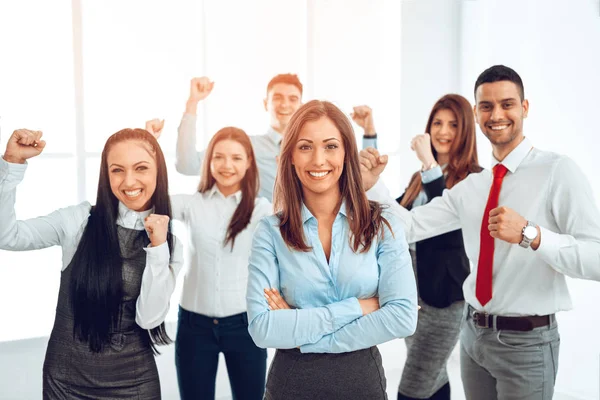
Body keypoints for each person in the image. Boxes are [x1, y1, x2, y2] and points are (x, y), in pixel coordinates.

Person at [360, 65, 600, 399]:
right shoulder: (474, 186)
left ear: (525, 108)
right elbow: (411, 227)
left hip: (527, 344)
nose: (496, 114)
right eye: (486, 106)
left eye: (507, 104)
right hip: (473, 337)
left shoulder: (557, 171)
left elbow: (596, 258)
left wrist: (532, 234)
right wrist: (373, 188)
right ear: (476, 113)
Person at [245, 100, 418, 400]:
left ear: (346, 153)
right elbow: (262, 328)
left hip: (361, 385)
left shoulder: (383, 223)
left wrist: (303, 333)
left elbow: (402, 316)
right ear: (290, 158)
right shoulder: (270, 232)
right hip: (290, 386)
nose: (318, 159)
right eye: (305, 147)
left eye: (330, 146)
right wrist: (356, 308)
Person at [0, 128, 183, 399]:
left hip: (133, 383)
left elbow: (148, 318)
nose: (129, 180)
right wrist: (11, 164)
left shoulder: (169, 243)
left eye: (141, 168)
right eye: (117, 170)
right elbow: (8, 235)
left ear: (159, 171)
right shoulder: (78, 221)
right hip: (66, 381)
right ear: (106, 175)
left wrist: (158, 250)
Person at [167, 127, 272, 400]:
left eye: (237, 158)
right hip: (194, 327)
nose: (227, 165)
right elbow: (145, 200)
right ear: (208, 161)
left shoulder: (262, 210)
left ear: (249, 162)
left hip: (246, 326)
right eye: (219, 157)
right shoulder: (191, 204)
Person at [166, 74, 378, 200]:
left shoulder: (316, 149)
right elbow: (186, 165)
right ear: (265, 104)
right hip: (262, 238)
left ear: (301, 105)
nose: (285, 104)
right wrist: (192, 103)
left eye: (292, 98)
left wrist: (369, 133)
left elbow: (361, 176)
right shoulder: (246, 147)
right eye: (277, 98)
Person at [394, 94, 482, 400]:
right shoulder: (419, 178)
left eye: (453, 125)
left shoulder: (474, 179)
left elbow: (450, 232)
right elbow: (393, 216)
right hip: (412, 294)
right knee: (432, 376)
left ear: (466, 131)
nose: (443, 131)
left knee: (413, 385)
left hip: (444, 300)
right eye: (437, 123)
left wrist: (429, 163)